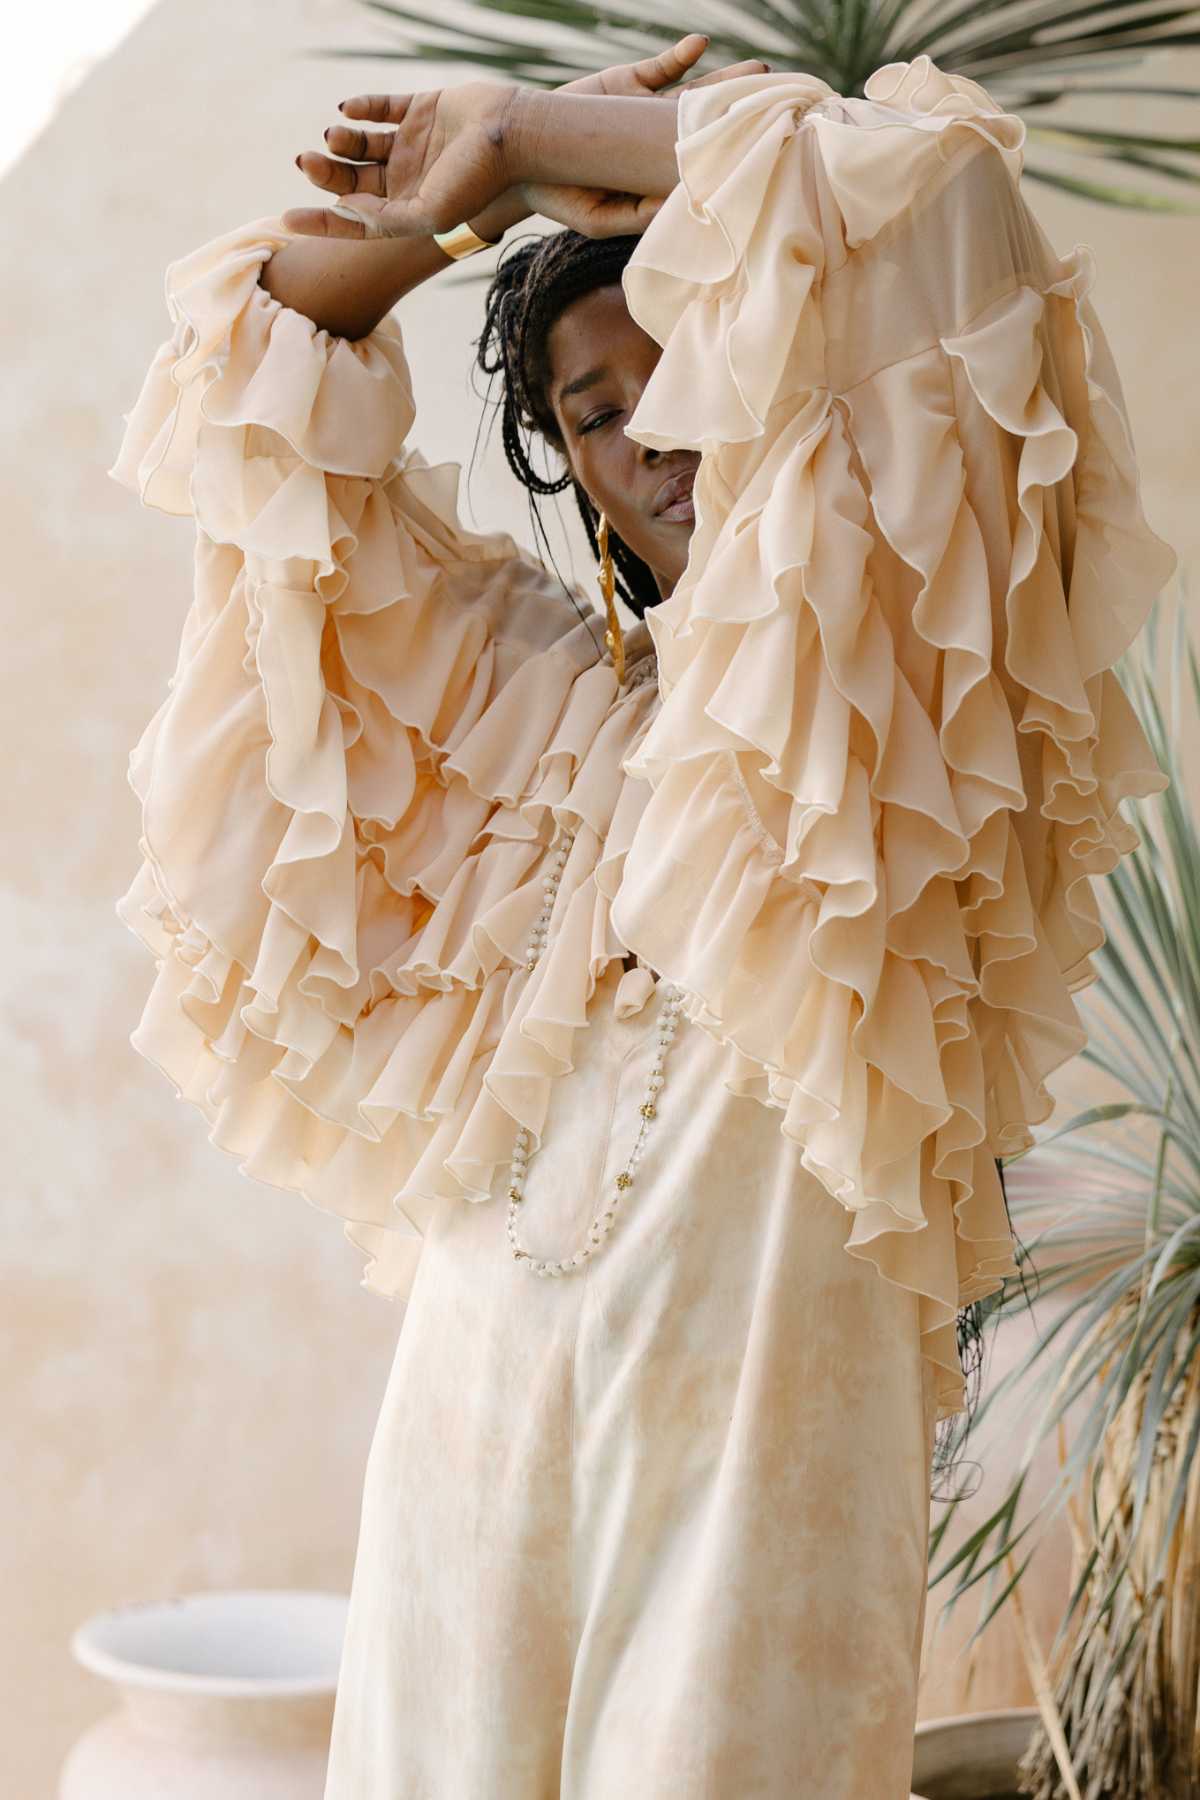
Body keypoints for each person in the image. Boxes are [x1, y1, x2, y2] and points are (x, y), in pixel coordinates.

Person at [108, 40, 1177, 1798]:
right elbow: (259, 374)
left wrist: (542, 131)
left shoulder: (888, 679)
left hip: (763, 1419)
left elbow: (942, 199)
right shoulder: (529, 702)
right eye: (595, 411)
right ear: (573, 468)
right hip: (479, 1404)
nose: (651, 429)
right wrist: (480, 208)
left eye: (680, 366)